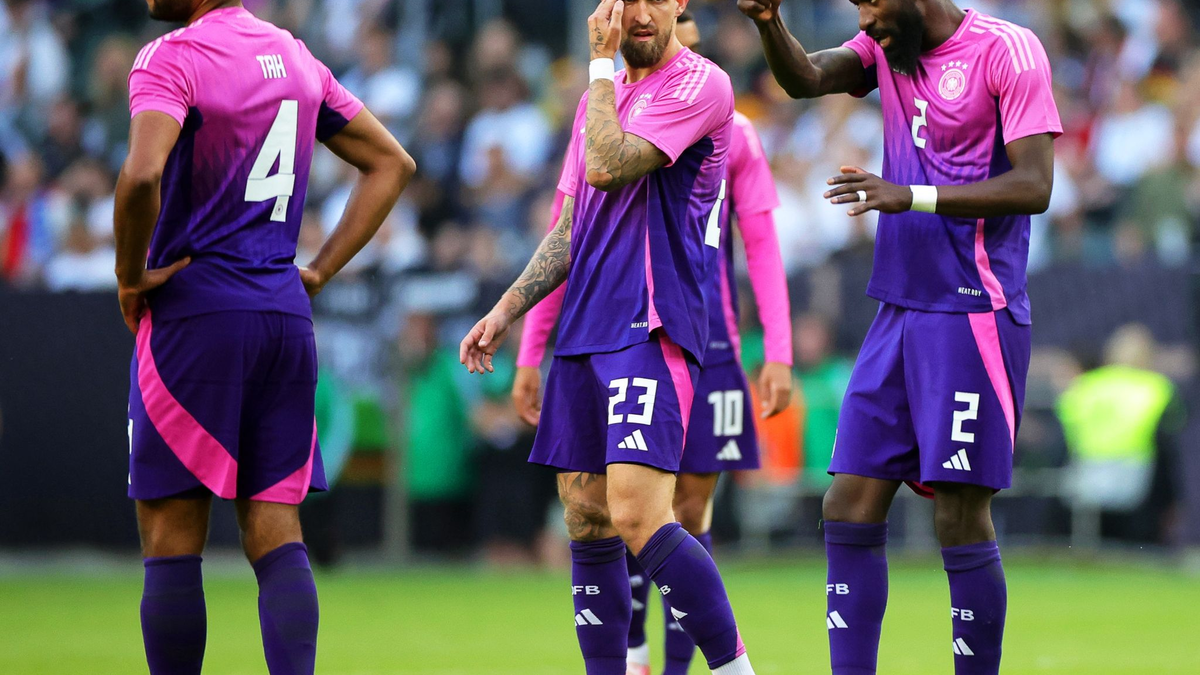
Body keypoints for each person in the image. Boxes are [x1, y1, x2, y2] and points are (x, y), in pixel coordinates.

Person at [737, 1, 1060, 673]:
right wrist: (768, 21)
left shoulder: (1007, 50)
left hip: (973, 311)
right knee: (848, 501)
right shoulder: (886, 46)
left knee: (959, 515)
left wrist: (913, 195)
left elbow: (1035, 185)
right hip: (898, 310)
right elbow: (805, 78)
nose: (865, 19)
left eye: (873, 2)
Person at [114, 1, 414, 673]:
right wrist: (319, 270)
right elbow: (393, 163)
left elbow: (140, 175)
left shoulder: (173, 57)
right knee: (276, 530)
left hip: (194, 313)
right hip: (283, 313)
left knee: (171, 533)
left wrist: (128, 276)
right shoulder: (297, 58)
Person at [460, 1, 756, 673]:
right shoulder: (599, 98)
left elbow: (607, 164)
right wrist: (508, 313)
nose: (639, 13)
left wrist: (597, 65)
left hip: (651, 325)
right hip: (584, 330)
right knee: (586, 515)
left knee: (638, 514)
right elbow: (570, 227)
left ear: (680, 3)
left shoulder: (699, 83)